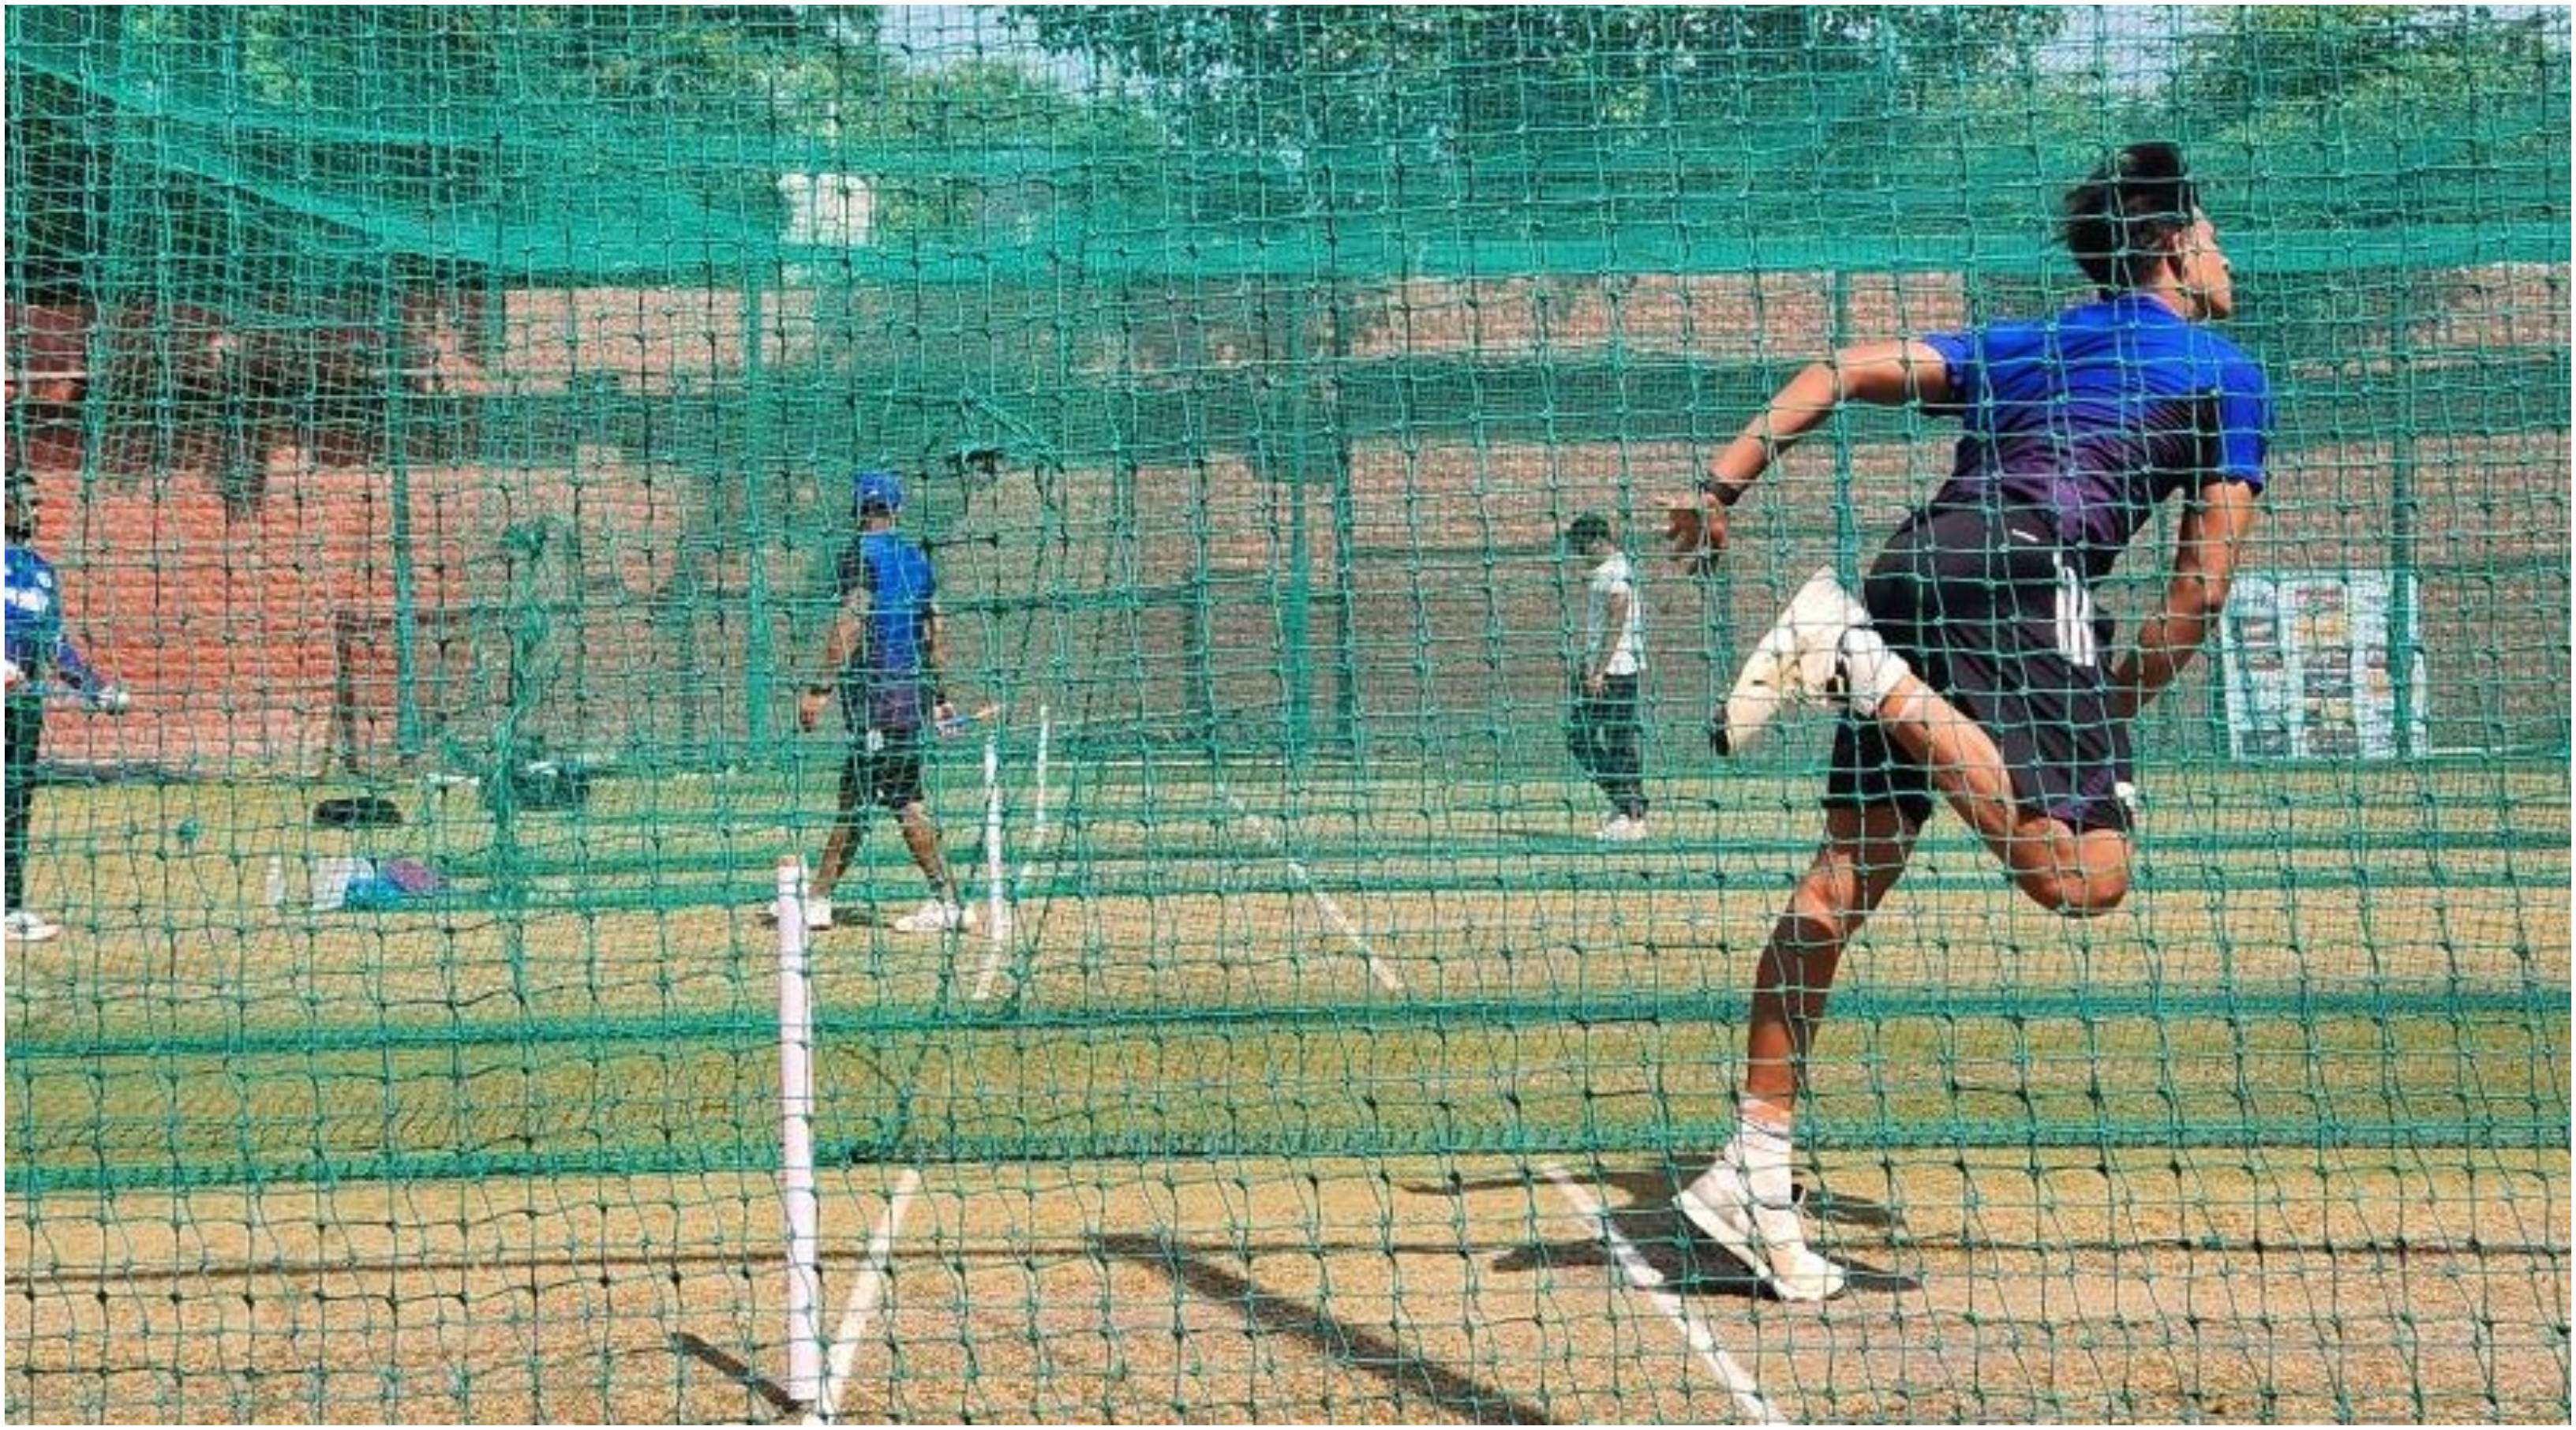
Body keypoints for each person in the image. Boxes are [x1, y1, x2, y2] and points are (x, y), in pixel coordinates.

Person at [1661, 142, 2268, 1301]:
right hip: (2022, 579)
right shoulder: (2224, 372)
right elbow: (2200, 590)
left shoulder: (2031, 342)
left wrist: (1721, 487)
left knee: (1844, 878)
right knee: (2083, 876)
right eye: (2216, 234)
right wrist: (2112, 697)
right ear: (2171, 245)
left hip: (1918, 572)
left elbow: (1834, 371)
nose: (2229, 256)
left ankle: (1755, 1167)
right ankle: (1853, 662)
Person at [790, 470, 972, 934]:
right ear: (897, 509)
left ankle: (947, 901)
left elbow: (849, 626)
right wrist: (940, 697)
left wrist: (819, 689)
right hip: (907, 698)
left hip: (879, 703)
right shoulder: (917, 560)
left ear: (857, 511)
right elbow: (937, 637)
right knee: (862, 795)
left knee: (895, 802)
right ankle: (819, 899)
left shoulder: (859, 557)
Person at [6, 463, 129, 944]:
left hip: (23, 707)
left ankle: (8, 909)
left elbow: (55, 643)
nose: (38, 509)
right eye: (27, 500)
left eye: (38, 501)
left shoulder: (41, 571)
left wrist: (94, 687)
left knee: (14, 806)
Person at [1563, 511, 1649, 841]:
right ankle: (1627, 808)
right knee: (1592, 738)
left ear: (1599, 541)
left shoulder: (1616, 570)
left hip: (1616, 672)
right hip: (1604, 669)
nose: (1581, 554)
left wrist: (1598, 670)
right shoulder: (1604, 569)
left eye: (1584, 546)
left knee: (1605, 740)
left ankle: (1631, 815)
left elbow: (1617, 617)